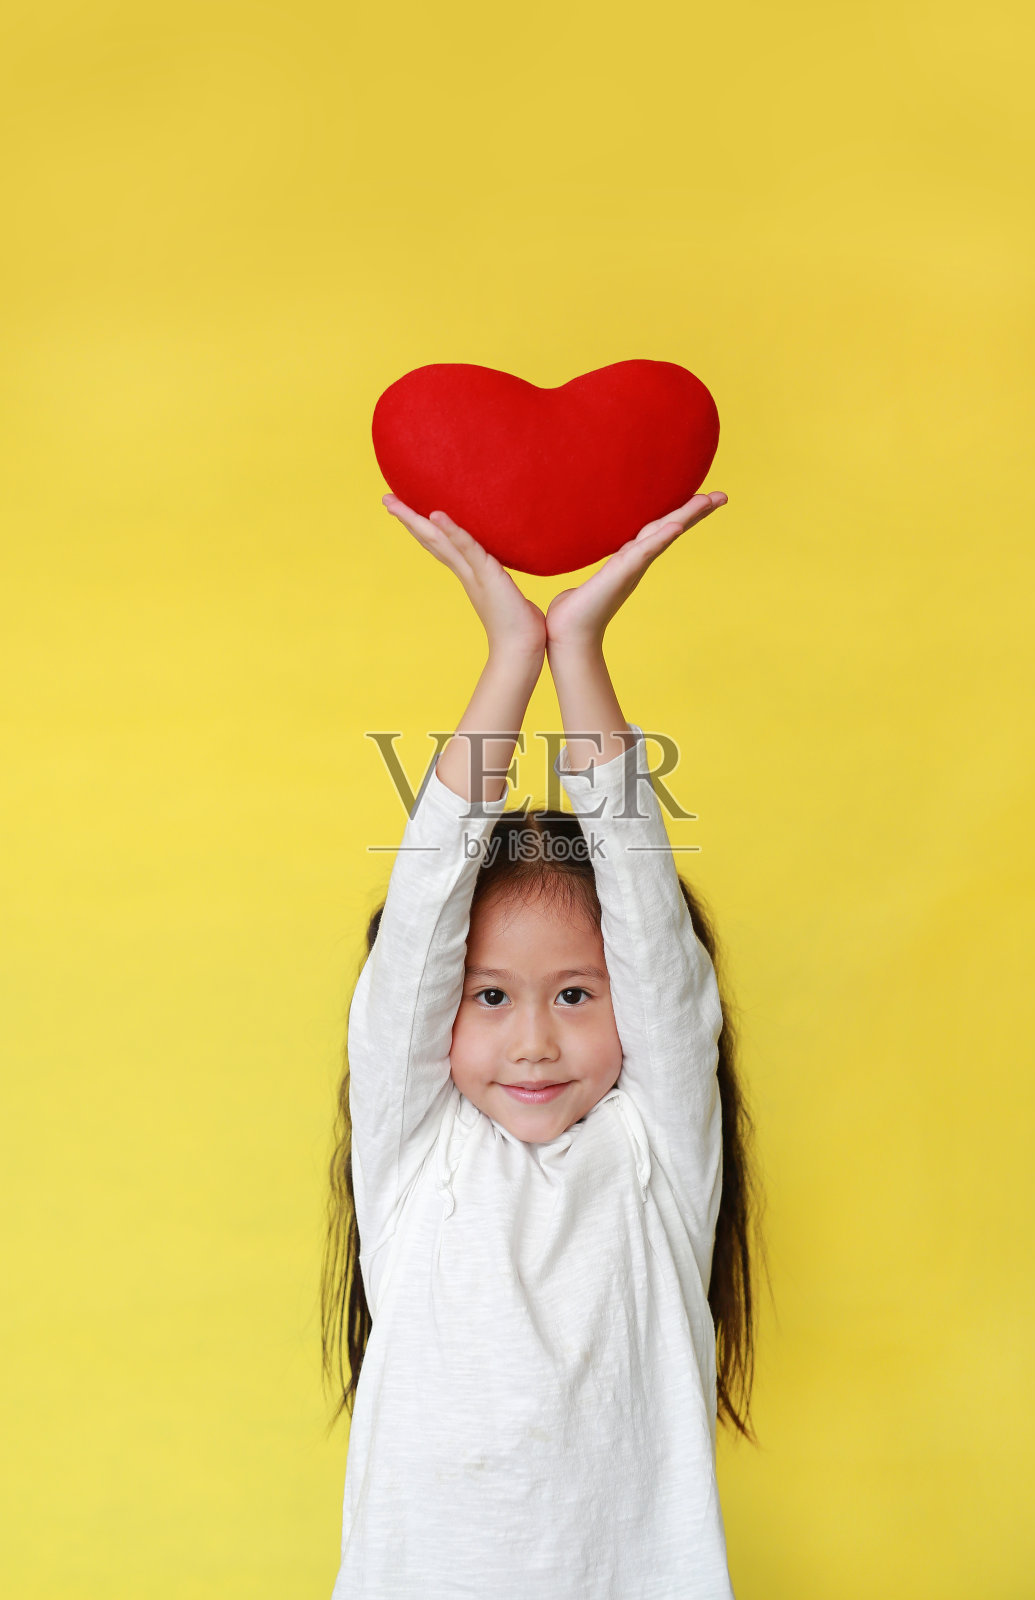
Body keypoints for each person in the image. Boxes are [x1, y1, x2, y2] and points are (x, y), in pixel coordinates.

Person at [322, 488, 765, 1598]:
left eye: (574, 994)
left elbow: (646, 924)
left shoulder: (655, 1154)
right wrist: (509, 657)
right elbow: (424, 905)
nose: (532, 1043)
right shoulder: (414, 1155)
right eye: (489, 997)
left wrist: (579, 651)